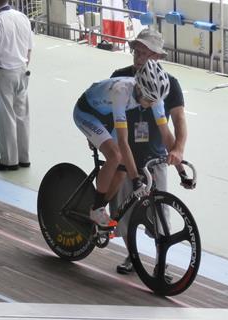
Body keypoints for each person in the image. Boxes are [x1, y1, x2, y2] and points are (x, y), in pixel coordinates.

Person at [109, 29, 194, 275]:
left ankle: (161, 262)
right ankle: (131, 255)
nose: (138, 57)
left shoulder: (170, 84)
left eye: (144, 53)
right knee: (122, 214)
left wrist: (178, 151)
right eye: (136, 51)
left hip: (153, 160)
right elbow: (107, 112)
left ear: (157, 56)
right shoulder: (119, 78)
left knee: (159, 218)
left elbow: (178, 121)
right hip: (124, 159)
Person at [73, 60, 179, 228]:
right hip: (87, 113)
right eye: (149, 100)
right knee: (115, 156)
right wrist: (136, 179)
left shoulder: (154, 96)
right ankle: (96, 209)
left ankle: (101, 206)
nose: (153, 104)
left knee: (122, 171)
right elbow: (123, 141)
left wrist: (181, 169)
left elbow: (165, 133)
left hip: (107, 115)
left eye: (155, 101)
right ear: (139, 89)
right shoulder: (121, 91)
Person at [0, 0, 33, 171]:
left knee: (5, 118)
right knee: (22, 116)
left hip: (3, 75)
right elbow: (29, 50)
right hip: (22, 72)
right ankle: (24, 158)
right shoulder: (23, 18)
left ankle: (9, 161)